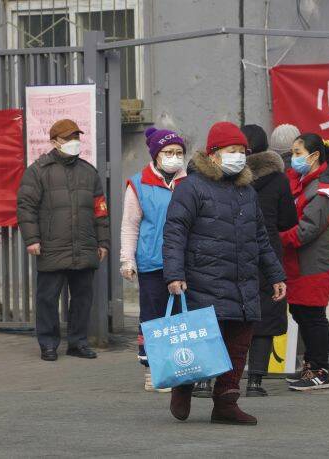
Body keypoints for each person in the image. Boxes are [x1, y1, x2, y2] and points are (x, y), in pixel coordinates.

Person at [163, 121, 287, 426]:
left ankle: (226, 402)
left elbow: (260, 236)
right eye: (232, 151)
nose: (239, 157)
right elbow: (175, 232)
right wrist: (174, 274)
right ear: (214, 154)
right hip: (206, 278)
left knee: (239, 344)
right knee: (203, 341)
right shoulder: (191, 188)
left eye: (242, 152)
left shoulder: (247, 190)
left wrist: (275, 275)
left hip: (244, 281)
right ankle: (183, 385)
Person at [17, 119, 110, 362]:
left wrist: (103, 242)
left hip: (84, 245)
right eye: (68, 139)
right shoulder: (38, 170)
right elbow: (26, 207)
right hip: (51, 246)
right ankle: (48, 344)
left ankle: (78, 343)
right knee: (47, 299)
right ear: (54, 142)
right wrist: (32, 239)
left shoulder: (89, 172)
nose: (73, 143)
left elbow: (100, 210)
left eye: (76, 138)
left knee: (82, 298)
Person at [281, 133, 329, 391]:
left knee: (313, 315)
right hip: (301, 261)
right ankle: (310, 366)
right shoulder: (306, 182)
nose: (293, 158)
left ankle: (319, 370)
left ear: (313, 157)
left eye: (298, 153)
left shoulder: (324, 190)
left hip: (315, 263)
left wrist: (276, 238)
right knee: (301, 312)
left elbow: (306, 230)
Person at [120, 127, 187, 392]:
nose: (174, 157)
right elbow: (130, 225)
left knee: (182, 318)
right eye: (168, 152)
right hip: (152, 263)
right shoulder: (138, 184)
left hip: (184, 263)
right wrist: (128, 260)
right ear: (156, 155)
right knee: (154, 318)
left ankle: (182, 366)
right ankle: (153, 370)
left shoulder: (191, 181)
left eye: (179, 152)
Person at [242, 124, 298, 397]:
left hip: (232, 251)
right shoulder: (278, 179)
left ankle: (210, 382)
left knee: (226, 314)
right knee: (264, 315)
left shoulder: (227, 177)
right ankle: (255, 382)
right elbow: (289, 219)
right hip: (267, 254)